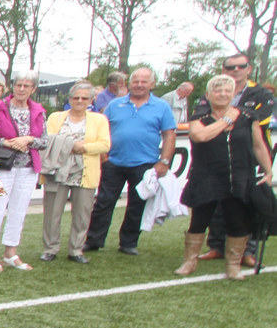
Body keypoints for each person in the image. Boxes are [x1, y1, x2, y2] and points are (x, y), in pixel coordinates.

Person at [176, 73, 274, 280]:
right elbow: (200, 136)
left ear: (233, 94)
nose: (223, 94)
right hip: (206, 177)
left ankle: (233, 266)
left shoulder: (248, 117)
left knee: (237, 222)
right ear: (208, 95)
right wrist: (227, 119)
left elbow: (258, 146)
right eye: (218, 90)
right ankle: (189, 262)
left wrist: (268, 170)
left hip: (239, 177)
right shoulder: (199, 118)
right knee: (199, 221)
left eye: (228, 90)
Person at [83, 67, 177, 256]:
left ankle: (128, 242)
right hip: (114, 162)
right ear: (129, 84)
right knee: (103, 202)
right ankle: (93, 241)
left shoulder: (162, 106)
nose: (139, 85)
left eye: (144, 81)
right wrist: (104, 157)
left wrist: (164, 161)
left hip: (145, 163)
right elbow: (102, 130)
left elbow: (169, 135)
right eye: (136, 81)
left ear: (152, 84)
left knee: (137, 205)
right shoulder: (115, 105)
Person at [0, 69, 47, 272]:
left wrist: (29, 139)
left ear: (33, 89)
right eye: (18, 85)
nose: (21, 89)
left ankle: (10, 252)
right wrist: (6, 142)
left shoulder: (39, 111)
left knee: (19, 210)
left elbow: (44, 141)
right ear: (13, 86)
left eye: (26, 86)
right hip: (0, 167)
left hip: (28, 168)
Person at [38, 82, 111, 265]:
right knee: (52, 213)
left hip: (85, 172)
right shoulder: (56, 117)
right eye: (76, 97)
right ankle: (50, 248)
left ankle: (76, 249)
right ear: (69, 99)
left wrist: (83, 148)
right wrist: (71, 145)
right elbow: (48, 139)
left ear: (91, 100)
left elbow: (104, 144)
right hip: (57, 171)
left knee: (82, 214)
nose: (79, 101)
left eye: (84, 98)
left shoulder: (99, 120)